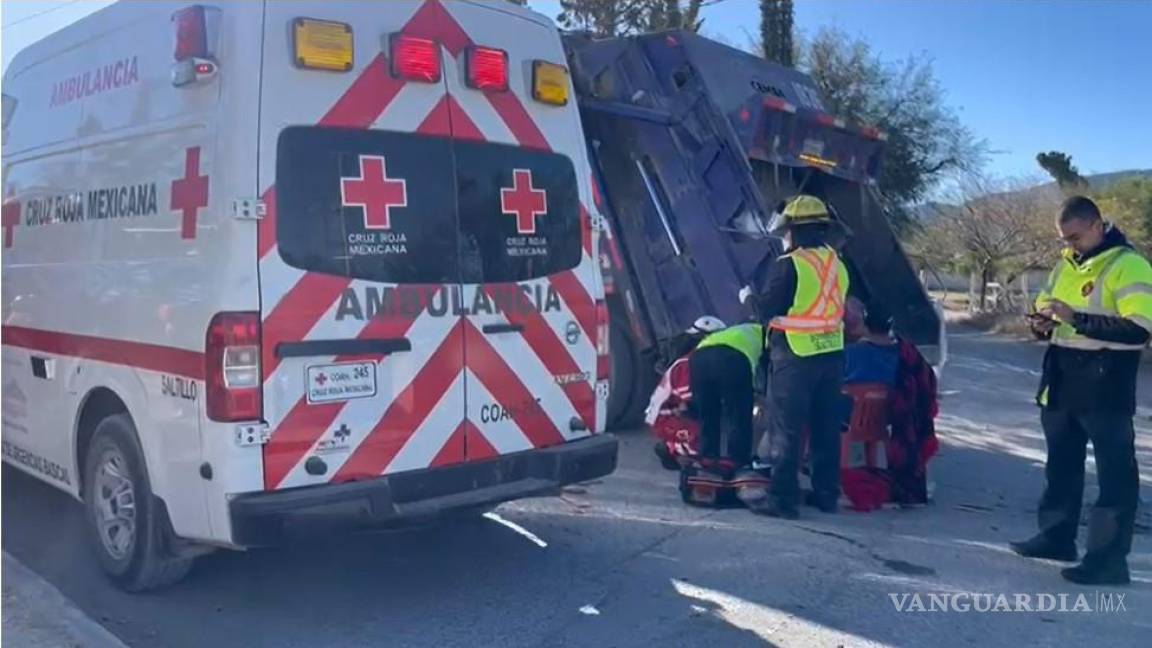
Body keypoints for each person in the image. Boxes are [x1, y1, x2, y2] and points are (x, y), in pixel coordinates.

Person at [1011, 195, 1152, 586]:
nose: (1069, 245)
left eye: (1074, 237)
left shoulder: (1129, 265)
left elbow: (1140, 329)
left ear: (1097, 225)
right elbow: (1047, 308)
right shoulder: (1064, 266)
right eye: (1064, 239)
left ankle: (1107, 561)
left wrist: (1077, 319)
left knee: (1115, 475)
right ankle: (1056, 537)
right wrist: (1041, 323)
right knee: (1061, 464)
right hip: (1061, 377)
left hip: (1106, 380)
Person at [742, 195, 849, 518]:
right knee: (825, 427)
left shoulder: (790, 265)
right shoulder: (836, 263)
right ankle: (826, 494)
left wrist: (748, 297)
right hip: (831, 355)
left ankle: (782, 499)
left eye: (787, 231)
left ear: (796, 231)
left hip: (795, 356)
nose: (785, 237)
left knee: (785, 429)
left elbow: (766, 310)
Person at [645, 316, 727, 470]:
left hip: (669, 415)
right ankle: (680, 455)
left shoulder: (690, 360)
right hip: (666, 419)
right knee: (705, 447)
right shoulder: (688, 365)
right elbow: (689, 405)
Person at [688, 320, 765, 476]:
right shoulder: (765, 332)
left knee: (707, 413)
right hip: (732, 359)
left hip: (698, 359)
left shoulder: (731, 331)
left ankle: (707, 458)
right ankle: (737, 461)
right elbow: (771, 368)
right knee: (738, 414)